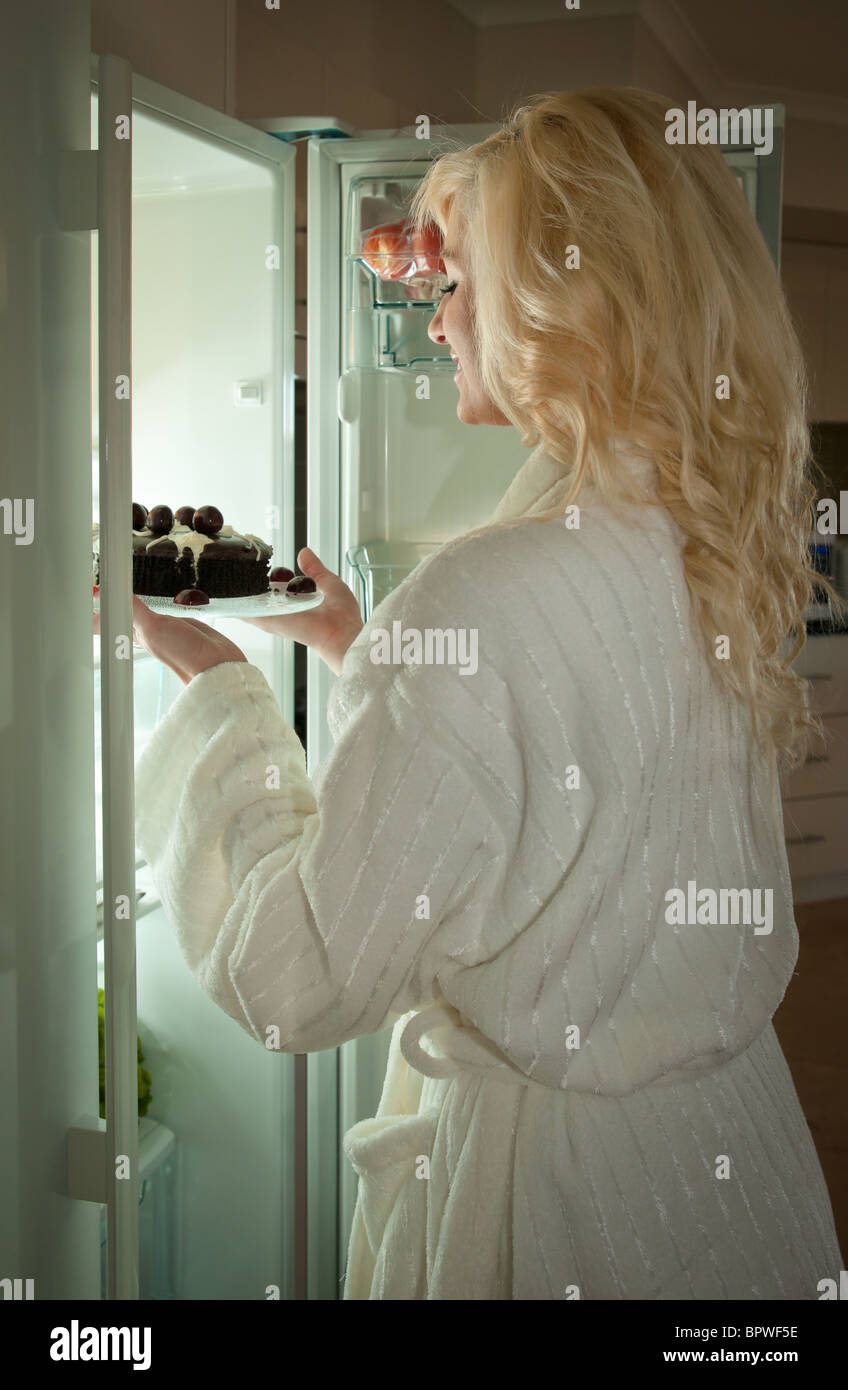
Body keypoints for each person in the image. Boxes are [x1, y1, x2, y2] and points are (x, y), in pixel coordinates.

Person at [128, 87, 844, 1299]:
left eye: (458, 282)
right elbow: (576, 783)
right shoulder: (695, 532)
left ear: (556, 301)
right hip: (723, 1153)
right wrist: (363, 647)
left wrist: (219, 696)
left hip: (554, 1199)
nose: (438, 315)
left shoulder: (486, 589)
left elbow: (298, 977)